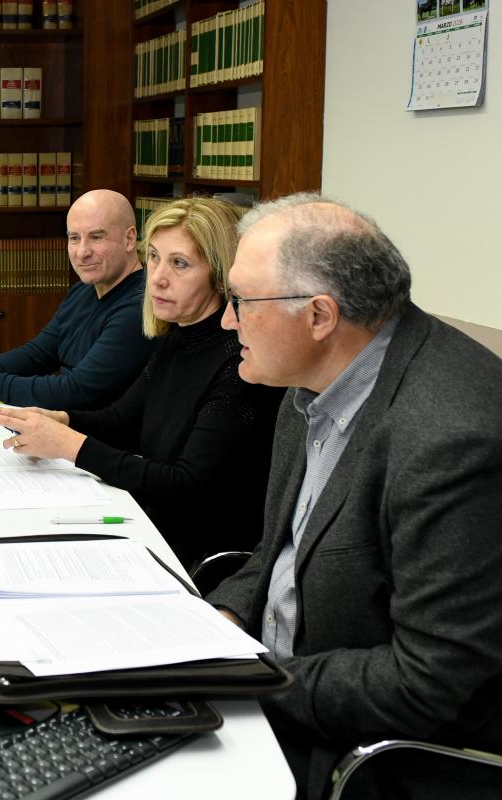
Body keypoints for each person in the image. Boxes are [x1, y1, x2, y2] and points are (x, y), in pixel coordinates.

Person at [204, 193, 502, 799]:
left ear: (319, 316)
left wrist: (245, 681)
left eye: (240, 301)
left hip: (358, 752)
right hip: (273, 689)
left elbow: (425, 682)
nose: (226, 322)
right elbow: (278, 551)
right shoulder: (312, 380)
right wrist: (221, 622)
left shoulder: (450, 437)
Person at [0, 197, 283, 567]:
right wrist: (61, 420)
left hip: (197, 555)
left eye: (179, 263)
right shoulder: (176, 337)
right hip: (152, 525)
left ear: (220, 275)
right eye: (154, 257)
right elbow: (123, 421)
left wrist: (70, 445)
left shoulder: (239, 362)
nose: (157, 277)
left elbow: (187, 486)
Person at [0, 189, 157, 409]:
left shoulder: (141, 306)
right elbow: (38, 355)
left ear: (129, 239)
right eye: (74, 238)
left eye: (96, 237)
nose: (82, 252)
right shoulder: (84, 291)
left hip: (93, 433)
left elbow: (75, 392)